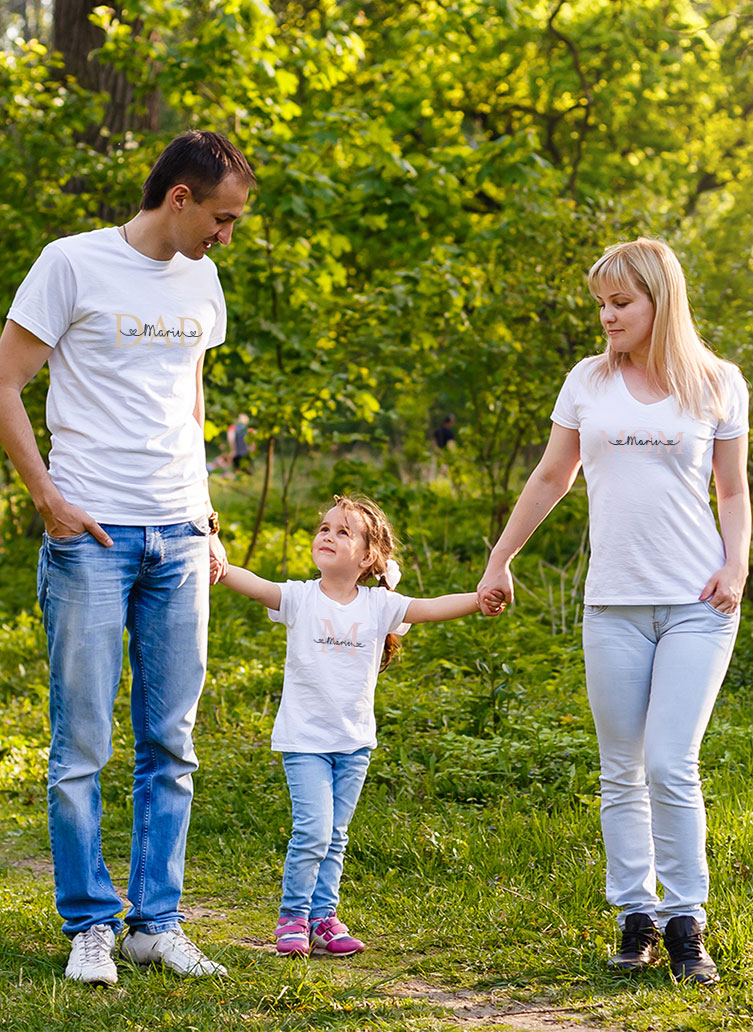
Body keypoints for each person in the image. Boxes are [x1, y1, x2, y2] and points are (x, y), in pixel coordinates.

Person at [0, 130, 255, 984]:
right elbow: (5, 380)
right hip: (92, 537)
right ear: (179, 197)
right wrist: (48, 498)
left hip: (181, 534)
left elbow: (188, 387)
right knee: (82, 743)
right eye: (221, 218)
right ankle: (89, 925)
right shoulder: (71, 264)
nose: (228, 235)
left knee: (171, 742)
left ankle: (156, 922)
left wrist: (205, 503)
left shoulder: (204, 279)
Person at [477, 238, 750, 985]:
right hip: (612, 605)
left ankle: (685, 920)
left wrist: (736, 563)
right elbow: (549, 477)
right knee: (618, 770)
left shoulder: (719, 384)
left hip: (697, 602)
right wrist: (500, 559)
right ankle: (635, 918)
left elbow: (731, 489)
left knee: (669, 762)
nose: (605, 315)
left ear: (660, 302)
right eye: (600, 302)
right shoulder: (586, 383)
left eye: (620, 302)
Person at [214, 495, 488, 957]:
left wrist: (480, 600)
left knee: (336, 837)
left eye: (343, 532)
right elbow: (254, 584)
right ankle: (293, 916)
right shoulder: (300, 598)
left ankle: (324, 918)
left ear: (367, 557)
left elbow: (433, 606)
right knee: (314, 832)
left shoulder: (380, 606)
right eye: (324, 528)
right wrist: (218, 562)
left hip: (354, 742)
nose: (328, 536)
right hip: (304, 740)